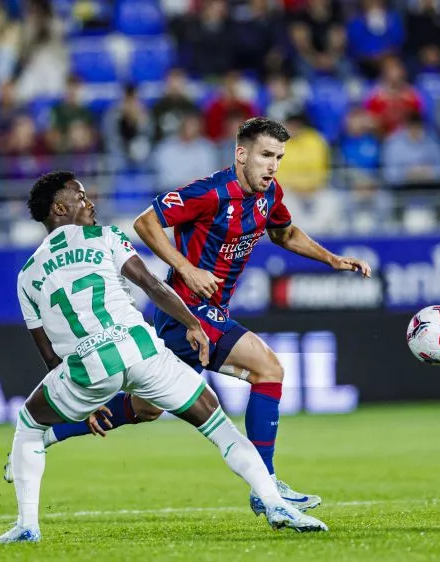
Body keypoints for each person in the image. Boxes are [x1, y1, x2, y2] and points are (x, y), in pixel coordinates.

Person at [23, 118, 372, 517]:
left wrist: (331, 259)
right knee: (268, 368)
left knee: (145, 408)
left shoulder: (269, 194)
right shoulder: (208, 192)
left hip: (209, 313)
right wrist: (185, 268)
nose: (273, 165)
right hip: (187, 311)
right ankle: (266, 484)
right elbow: (145, 222)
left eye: (278, 157)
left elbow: (285, 233)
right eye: (265, 155)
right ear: (241, 154)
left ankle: (49, 432)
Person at [0, 172, 329, 544]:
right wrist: (192, 324)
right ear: (59, 208)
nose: (90, 203)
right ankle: (273, 502)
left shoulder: (27, 276)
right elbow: (153, 286)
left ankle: (27, 526)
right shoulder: (105, 237)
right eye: (81, 197)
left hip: (87, 367)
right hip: (142, 350)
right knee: (218, 425)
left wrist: (82, 401)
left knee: (28, 424)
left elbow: (50, 357)